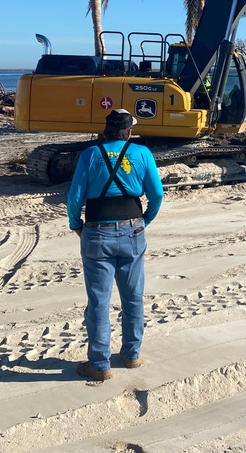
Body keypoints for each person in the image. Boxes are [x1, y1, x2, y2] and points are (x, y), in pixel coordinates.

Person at [67, 108, 164, 382]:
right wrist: (145, 220)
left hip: (97, 231)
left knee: (99, 300)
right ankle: (131, 355)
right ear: (129, 132)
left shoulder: (89, 154)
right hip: (132, 229)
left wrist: (76, 223)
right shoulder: (142, 153)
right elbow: (157, 193)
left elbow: (74, 196)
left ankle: (100, 364)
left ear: (105, 130)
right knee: (133, 296)